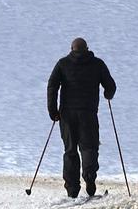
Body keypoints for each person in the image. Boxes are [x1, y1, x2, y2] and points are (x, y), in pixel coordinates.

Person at [46, 36, 117, 199]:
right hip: (88, 114)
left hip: (67, 115)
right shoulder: (97, 64)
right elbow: (111, 86)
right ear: (87, 49)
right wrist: (108, 94)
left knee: (70, 150)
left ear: (71, 49)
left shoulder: (63, 64)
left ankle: (72, 190)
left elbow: (52, 86)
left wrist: (53, 110)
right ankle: (90, 179)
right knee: (89, 148)